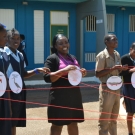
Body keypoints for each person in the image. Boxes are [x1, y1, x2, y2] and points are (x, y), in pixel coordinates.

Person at [4, 28, 50, 135]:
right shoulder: (3, 54)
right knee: (7, 121)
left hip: (19, 92)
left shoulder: (20, 55)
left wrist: (36, 70)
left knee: (13, 122)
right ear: (6, 39)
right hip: (7, 93)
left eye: (18, 39)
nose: (16, 41)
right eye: (13, 38)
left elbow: (23, 73)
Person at [43, 34, 87, 135]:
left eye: (66, 42)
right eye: (60, 43)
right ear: (55, 46)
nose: (64, 45)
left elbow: (75, 75)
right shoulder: (52, 59)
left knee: (73, 123)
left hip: (74, 95)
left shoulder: (73, 57)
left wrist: (82, 73)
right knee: (57, 125)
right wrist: (63, 70)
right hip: (59, 97)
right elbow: (47, 77)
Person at [95, 34, 128, 135]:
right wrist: (112, 68)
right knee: (104, 120)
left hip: (116, 88)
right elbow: (98, 73)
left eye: (116, 39)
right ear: (106, 42)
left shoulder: (117, 54)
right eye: (113, 40)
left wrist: (121, 68)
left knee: (114, 118)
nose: (116, 41)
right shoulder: (101, 56)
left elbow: (117, 70)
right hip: (106, 88)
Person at [120, 42, 135, 135]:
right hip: (129, 87)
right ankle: (130, 132)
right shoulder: (124, 58)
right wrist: (131, 70)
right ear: (131, 49)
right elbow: (120, 73)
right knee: (131, 111)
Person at [0, 23, 12, 135]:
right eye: (4, 37)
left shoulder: (4, 53)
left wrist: (8, 103)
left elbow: (6, 77)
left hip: (4, 96)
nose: (6, 39)